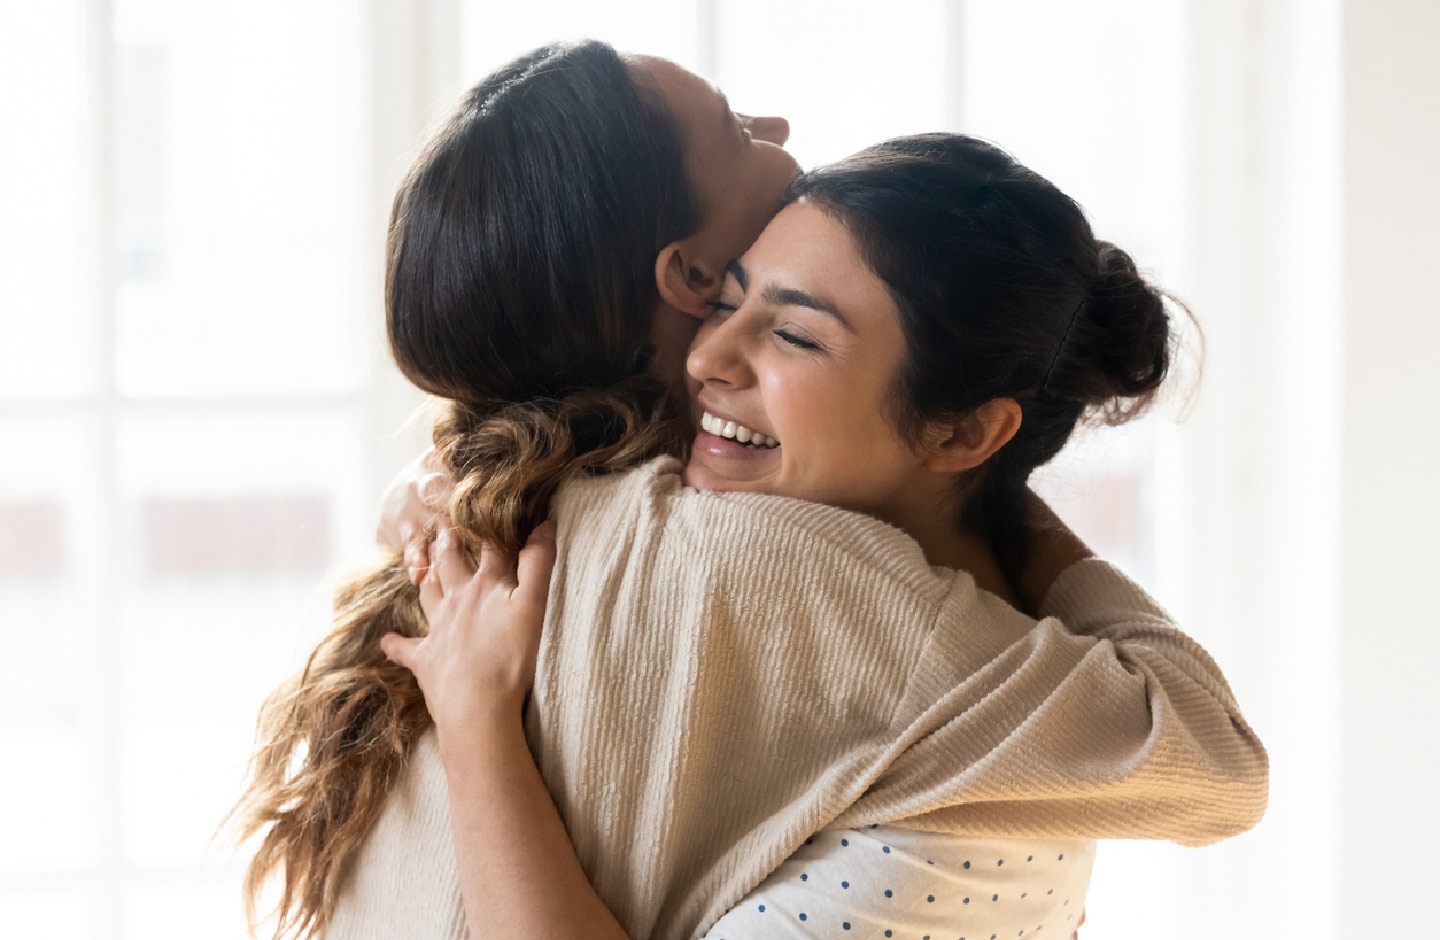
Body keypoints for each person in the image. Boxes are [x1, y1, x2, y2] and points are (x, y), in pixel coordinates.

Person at [227, 41, 1265, 940]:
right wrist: (996, 486)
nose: (777, 126)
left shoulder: (487, 511)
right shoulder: (768, 565)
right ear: (685, 278)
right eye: (732, 125)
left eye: (793, 326)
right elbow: (1211, 760)